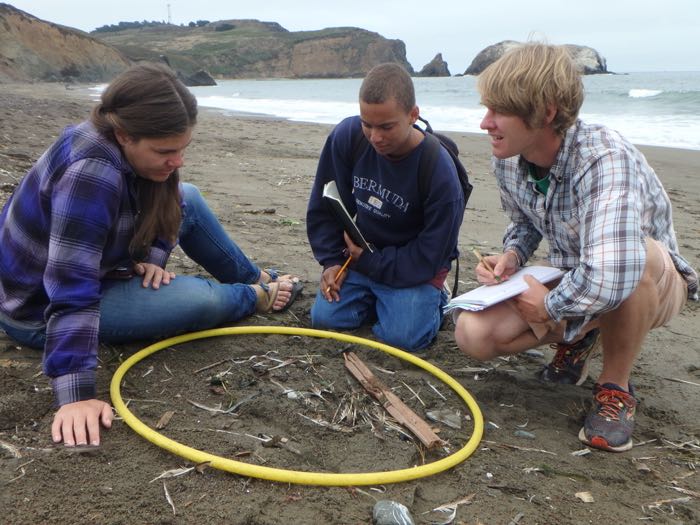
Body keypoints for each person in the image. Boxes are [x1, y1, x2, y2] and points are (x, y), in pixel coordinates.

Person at [0, 63, 302, 448]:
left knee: (187, 195)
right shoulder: (90, 172)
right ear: (124, 134)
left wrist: (148, 260)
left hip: (101, 266)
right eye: (165, 151)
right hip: (35, 308)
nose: (177, 160)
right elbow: (70, 283)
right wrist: (75, 396)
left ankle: (253, 277)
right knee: (200, 299)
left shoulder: (126, 147)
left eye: (182, 148)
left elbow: (169, 204)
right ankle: (256, 297)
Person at [453, 43, 698, 452]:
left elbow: (612, 273)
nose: (485, 123)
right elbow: (524, 223)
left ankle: (615, 388)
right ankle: (585, 333)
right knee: (472, 334)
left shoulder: (603, 158)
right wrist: (512, 256)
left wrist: (549, 307)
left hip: (650, 281)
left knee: (631, 261)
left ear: (546, 113)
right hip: (577, 273)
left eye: (499, 111)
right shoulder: (508, 157)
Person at [306, 63, 465, 351]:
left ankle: (433, 300)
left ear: (413, 115)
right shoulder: (348, 137)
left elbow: (431, 254)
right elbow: (324, 204)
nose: (375, 137)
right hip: (363, 255)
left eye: (386, 127)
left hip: (414, 267)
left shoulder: (438, 170)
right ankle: (381, 300)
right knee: (324, 319)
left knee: (404, 339)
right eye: (367, 124)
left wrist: (369, 261)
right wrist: (331, 261)